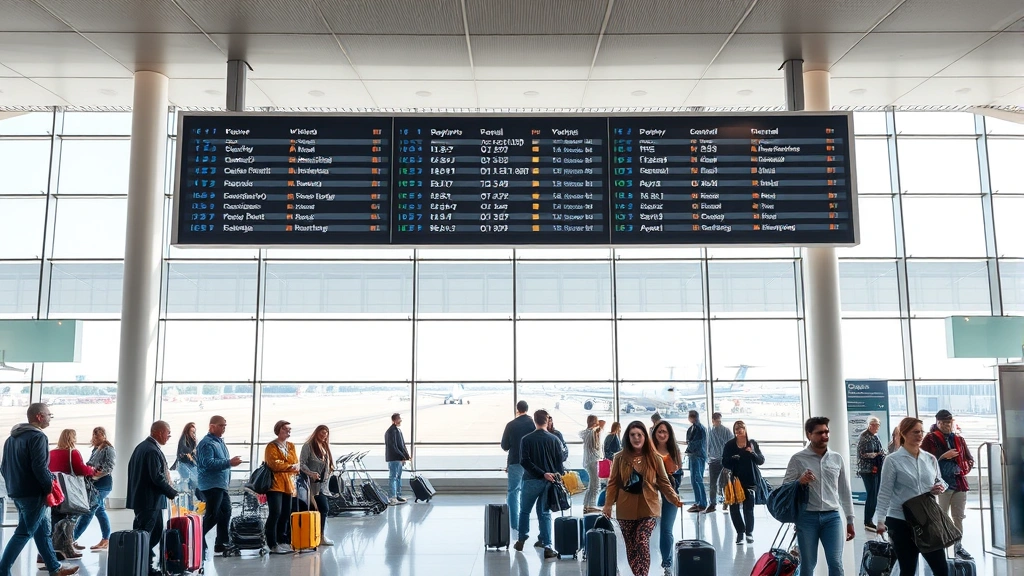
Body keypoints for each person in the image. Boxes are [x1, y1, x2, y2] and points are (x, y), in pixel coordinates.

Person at [0, 403, 79, 576]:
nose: (50, 417)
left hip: (18, 491)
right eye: (49, 414)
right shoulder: (38, 437)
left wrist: (13, 486)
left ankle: (54, 568)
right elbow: (40, 467)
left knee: (43, 531)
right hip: (34, 493)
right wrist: (48, 487)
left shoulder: (11, 438)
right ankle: (3, 569)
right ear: (39, 416)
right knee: (24, 532)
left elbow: (4, 467)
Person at [602, 421, 682, 576]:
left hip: (649, 508)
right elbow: (612, 484)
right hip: (626, 508)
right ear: (628, 437)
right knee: (631, 548)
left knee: (642, 539)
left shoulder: (655, 458)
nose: (636, 438)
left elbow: (664, 482)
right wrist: (607, 505)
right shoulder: (619, 458)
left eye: (640, 435)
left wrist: (673, 497)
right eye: (633, 435)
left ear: (645, 437)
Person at [874, 417, 949, 576]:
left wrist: (941, 486)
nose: (920, 435)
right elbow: (884, 492)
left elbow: (940, 479)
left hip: (926, 519)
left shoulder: (929, 458)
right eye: (915, 432)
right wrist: (880, 520)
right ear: (904, 433)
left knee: (942, 568)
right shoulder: (892, 460)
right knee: (908, 569)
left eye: (921, 431)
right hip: (900, 521)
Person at [783, 417, 855, 576]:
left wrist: (850, 519)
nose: (825, 435)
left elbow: (844, 489)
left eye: (827, 431)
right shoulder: (798, 459)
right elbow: (785, 487)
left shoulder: (836, 458)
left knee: (836, 563)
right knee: (808, 564)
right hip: (806, 518)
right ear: (809, 435)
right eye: (820, 432)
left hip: (832, 517)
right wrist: (800, 481)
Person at [126, 421, 178, 576]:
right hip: (149, 501)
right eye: (168, 432)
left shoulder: (143, 447)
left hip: (147, 500)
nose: (169, 436)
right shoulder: (151, 450)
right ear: (158, 432)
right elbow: (156, 477)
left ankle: (146, 562)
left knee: (152, 533)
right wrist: (172, 492)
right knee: (145, 534)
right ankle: (143, 567)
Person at [921, 409, 974, 560]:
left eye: (949, 422)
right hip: (941, 484)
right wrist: (943, 456)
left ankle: (958, 547)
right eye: (943, 422)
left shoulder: (959, 439)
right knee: (940, 517)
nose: (946, 425)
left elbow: (969, 459)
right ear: (937, 422)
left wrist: (963, 468)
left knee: (958, 517)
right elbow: (924, 461)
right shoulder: (930, 439)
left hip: (958, 483)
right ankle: (939, 548)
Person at [513, 409, 564, 559]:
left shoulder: (526, 439)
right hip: (548, 483)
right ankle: (547, 545)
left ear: (535, 421)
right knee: (544, 513)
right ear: (547, 421)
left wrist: (540, 473)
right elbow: (559, 464)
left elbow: (524, 461)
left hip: (530, 480)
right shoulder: (554, 439)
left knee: (524, 511)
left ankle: (521, 539)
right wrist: (552, 476)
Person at [196, 415, 243, 556]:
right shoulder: (207, 443)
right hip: (211, 485)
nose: (224, 428)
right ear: (212, 426)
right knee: (213, 515)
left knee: (226, 512)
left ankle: (221, 543)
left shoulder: (218, 442)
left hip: (220, 485)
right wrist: (229, 462)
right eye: (221, 425)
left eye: (225, 425)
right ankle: (196, 536)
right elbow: (207, 463)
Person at [48, 429, 95, 559]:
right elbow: (80, 469)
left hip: (54, 492)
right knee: (70, 519)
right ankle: (68, 549)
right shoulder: (72, 453)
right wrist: (91, 470)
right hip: (69, 493)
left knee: (54, 519)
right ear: (72, 438)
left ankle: (51, 550)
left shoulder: (50, 453)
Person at [722, 420, 764, 545]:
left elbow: (761, 461)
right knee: (734, 507)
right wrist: (733, 459)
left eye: (741, 429)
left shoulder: (752, 443)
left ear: (745, 430)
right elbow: (724, 462)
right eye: (736, 430)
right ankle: (740, 532)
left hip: (750, 479)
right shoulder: (730, 445)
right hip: (734, 480)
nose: (739, 431)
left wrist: (752, 453)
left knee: (748, 507)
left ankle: (749, 532)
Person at [74, 426, 116, 551]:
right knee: (100, 510)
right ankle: (106, 539)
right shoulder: (96, 449)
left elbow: (109, 467)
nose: (95, 437)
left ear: (104, 435)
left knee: (89, 511)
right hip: (94, 484)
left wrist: (94, 475)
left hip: (103, 484)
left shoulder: (108, 449)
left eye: (98, 435)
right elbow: (91, 464)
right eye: (94, 435)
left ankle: (72, 538)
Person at [651, 420, 683, 575]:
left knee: (666, 529)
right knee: (649, 529)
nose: (662, 434)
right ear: (655, 434)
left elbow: (679, 475)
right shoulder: (649, 451)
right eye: (659, 432)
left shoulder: (674, 451)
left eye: (665, 432)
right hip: (652, 494)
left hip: (670, 494)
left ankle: (667, 563)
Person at [265, 420, 300, 554]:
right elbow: (274, 464)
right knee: (275, 513)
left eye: (289, 429)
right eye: (285, 429)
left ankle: (282, 540)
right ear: (278, 430)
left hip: (288, 484)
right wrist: (289, 466)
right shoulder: (271, 446)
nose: (288, 431)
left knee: (286, 513)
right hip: (275, 485)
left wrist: (291, 466)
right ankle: (272, 543)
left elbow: (295, 462)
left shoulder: (291, 446)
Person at [501, 400, 535, 533]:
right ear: (527, 409)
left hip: (515, 461)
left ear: (517, 409)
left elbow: (504, 446)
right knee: (527, 492)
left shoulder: (511, 425)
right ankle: (525, 522)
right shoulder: (533, 424)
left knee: (513, 492)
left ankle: (514, 523)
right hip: (530, 463)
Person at [299, 424, 335, 546]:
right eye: (321, 433)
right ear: (316, 433)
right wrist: (311, 473)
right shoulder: (308, 446)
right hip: (310, 485)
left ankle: (320, 536)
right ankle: (314, 536)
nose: (324, 436)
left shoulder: (324, 446)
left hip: (322, 486)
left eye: (326, 434)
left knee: (323, 509)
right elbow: (302, 464)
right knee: (318, 509)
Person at [856, 417, 886, 531]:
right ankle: (868, 521)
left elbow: (879, 450)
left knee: (875, 495)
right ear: (870, 425)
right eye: (875, 425)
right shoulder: (864, 436)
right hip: (867, 470)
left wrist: (880, 454)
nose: (877, 427)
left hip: (876, 468)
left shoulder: (875, 436)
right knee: (871, 495)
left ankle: (870, 519)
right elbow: (863, 453)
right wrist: (877, 454)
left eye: (878, 425)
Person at [707, 412, 734, 514]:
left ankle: (726, 501)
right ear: (713, 421)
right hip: (714, 460)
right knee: (713, 483)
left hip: (724, 460)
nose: (719, 423)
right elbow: (708, 445)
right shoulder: (710, 433)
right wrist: (709, 456)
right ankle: (713, 503)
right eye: (717, 421)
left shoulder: (726, 431)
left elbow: (731, 444)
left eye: (720, 421)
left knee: (726, 483)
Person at [384, 413, 411, 505]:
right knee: (393, 477)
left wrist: (406, 456)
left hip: (398, 458)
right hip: (394, 458)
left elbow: (402, 445)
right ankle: (392, 497)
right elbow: (393, 446)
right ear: (394, 420)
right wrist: (402, 456)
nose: (400, 420)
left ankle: (398, 495)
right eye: (399, 419)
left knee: (398, 477)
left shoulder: (397, 431)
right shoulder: (391, 432)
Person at [684, 410, 708, 513]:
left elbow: (696, 443)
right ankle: (699, 501)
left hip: (697, 456)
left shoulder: (698, 428)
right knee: (696, 480)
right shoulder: (696, 427)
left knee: (697, 480)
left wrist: (688, 449)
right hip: (696, 456)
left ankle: (702, 503)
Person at [579, 415, 604, 514]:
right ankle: (591, 505)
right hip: (593, 461)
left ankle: (587, 505)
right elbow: (596, 445)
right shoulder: (591, 433)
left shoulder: (586, 433)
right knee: (595, 485)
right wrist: (600, 427)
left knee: (591, 485)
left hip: (588, 461)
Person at [172, 422, 198, 493]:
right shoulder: (184, 437)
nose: (193, 433)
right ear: (187, 431)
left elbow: (194, 453)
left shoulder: (193, 440)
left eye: (194, 432)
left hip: (189, 463)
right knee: (186, 481)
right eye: (192, 432)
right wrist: (191, 451)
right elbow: (183, 448)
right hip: (183, 463)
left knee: (196, 480)